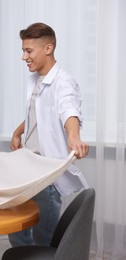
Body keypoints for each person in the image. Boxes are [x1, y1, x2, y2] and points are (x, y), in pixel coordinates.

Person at [8, 23, 89, 247]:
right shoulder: (34, 80)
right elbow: (38, 114)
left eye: (29, 51)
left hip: (46, 176)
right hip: (26, 169)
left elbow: (68, 110)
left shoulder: (63, 82)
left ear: (48, 48)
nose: (24, 57)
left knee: (44, 241)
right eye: (23, 50)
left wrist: (74, 136)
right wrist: (17, 133)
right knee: (16, 232)